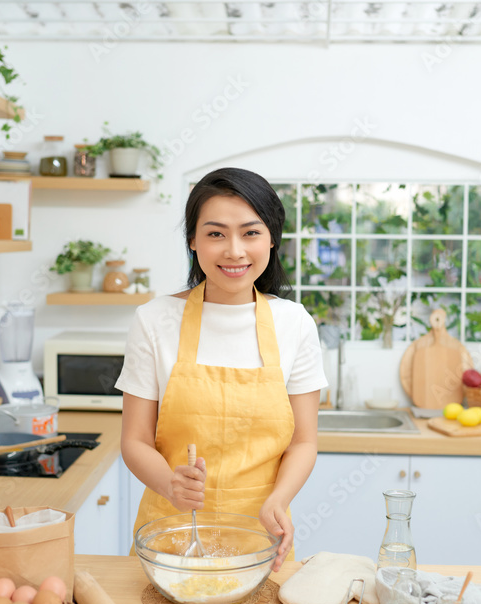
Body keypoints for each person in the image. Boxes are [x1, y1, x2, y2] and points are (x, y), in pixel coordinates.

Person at [115, 167, 327, 572]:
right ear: (193, 241)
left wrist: (279, 500)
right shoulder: (155, 319)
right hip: (169, 540)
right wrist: (170, 486)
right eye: (215, 233)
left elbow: (303, 442)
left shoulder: (295, 323)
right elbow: (135, 440)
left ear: (271, 239)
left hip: (260, 541)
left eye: (251, 232)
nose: (234, 251)